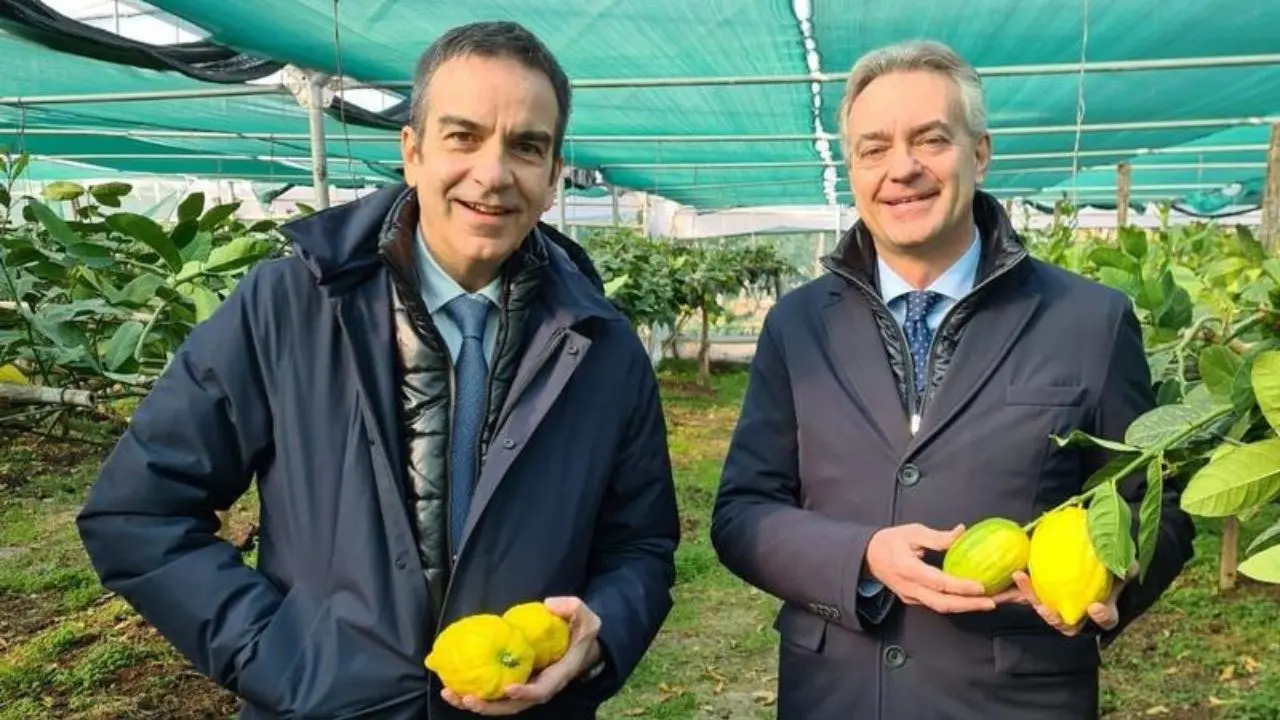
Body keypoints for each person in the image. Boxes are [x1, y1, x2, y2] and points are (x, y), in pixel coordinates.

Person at [76, 20, 679, 720]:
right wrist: (288, 660)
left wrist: (594, 641)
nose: (493, 173)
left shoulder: (600, 347)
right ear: (413, 152)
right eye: (463, 136)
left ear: (551, 177)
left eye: (526, 146)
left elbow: (640, 543)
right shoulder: (291, 308)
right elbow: (138, 511)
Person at [709, 40, 1195, 719]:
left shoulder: (1088, 320)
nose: (902, 168)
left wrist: (1116, 580)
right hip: (834, 696)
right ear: (853, 167)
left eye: (931, 140)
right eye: (874, 148)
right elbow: (742, 513)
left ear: (980, 152)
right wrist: (863, 556)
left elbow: (1159, 506)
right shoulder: (798, 327)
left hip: (1015, 699)